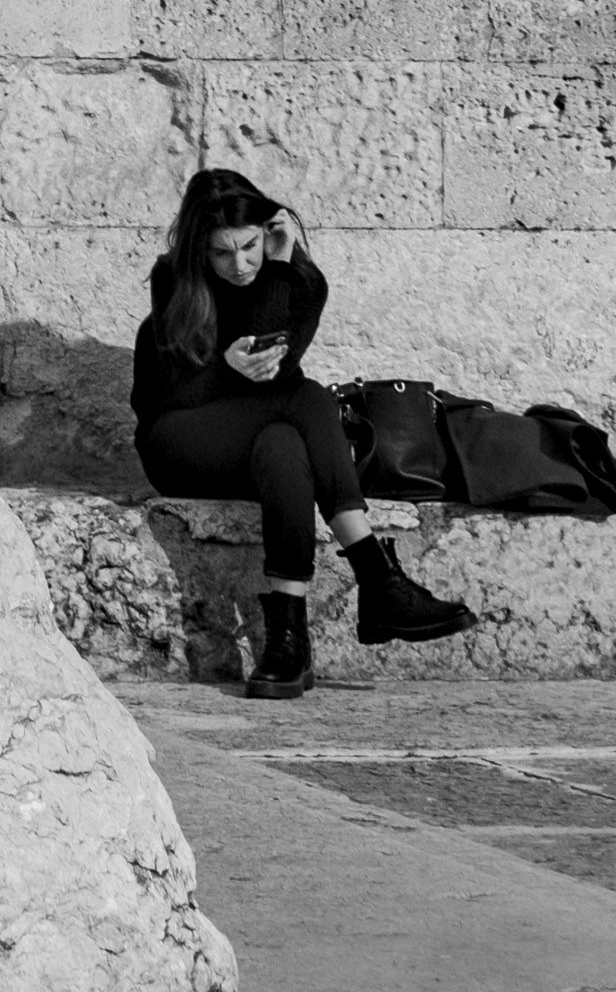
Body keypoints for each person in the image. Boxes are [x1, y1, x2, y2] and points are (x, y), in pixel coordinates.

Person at [129, 168, 472, 697]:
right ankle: (378, 578)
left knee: (286, 446)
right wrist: (225, 371)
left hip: (256, 443)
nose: (239, 265)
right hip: (176, 440)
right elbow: (175, 395)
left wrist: (282, 269)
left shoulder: (302, 285)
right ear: (200, 252)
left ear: (271, 233)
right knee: (309, 398)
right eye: (221, 254)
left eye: (248, 247)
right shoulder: (174, 279)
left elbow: (274, 366)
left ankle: (288, 643)